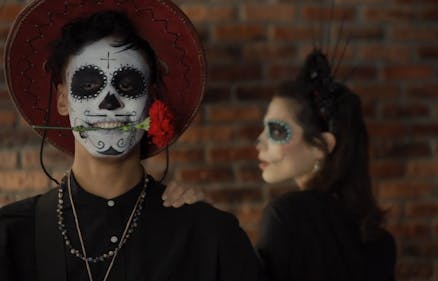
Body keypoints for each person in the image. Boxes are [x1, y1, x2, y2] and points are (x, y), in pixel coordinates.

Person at [0, 1, 264, 281]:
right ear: (63, 100)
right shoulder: (11, 237)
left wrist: (203, 226)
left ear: (150, 99)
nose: (110, 102)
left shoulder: (208, 236)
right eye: (89, 86)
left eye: (127, 85)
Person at [163, 47, 396, 281]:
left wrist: (211, 226)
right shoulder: (380, 240)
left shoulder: (288, 215)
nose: (259, 140)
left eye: (276, 130)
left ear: (322, 146)